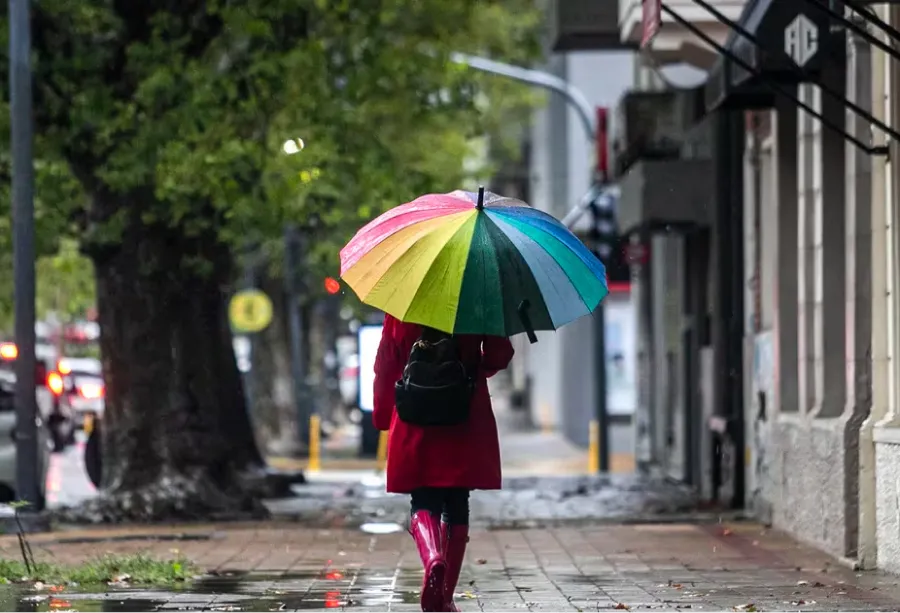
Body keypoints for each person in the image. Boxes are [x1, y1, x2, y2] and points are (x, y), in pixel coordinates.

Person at [373, 313, 514, 612]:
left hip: (414, 410)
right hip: (463, 410)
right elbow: (501, 354)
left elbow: (386, 360)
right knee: (457, 501)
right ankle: (445, 597)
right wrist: (475, 366)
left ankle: (433, 557)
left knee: (423, 497)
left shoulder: (403, 304)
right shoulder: (477, 299)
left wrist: (383, 413)